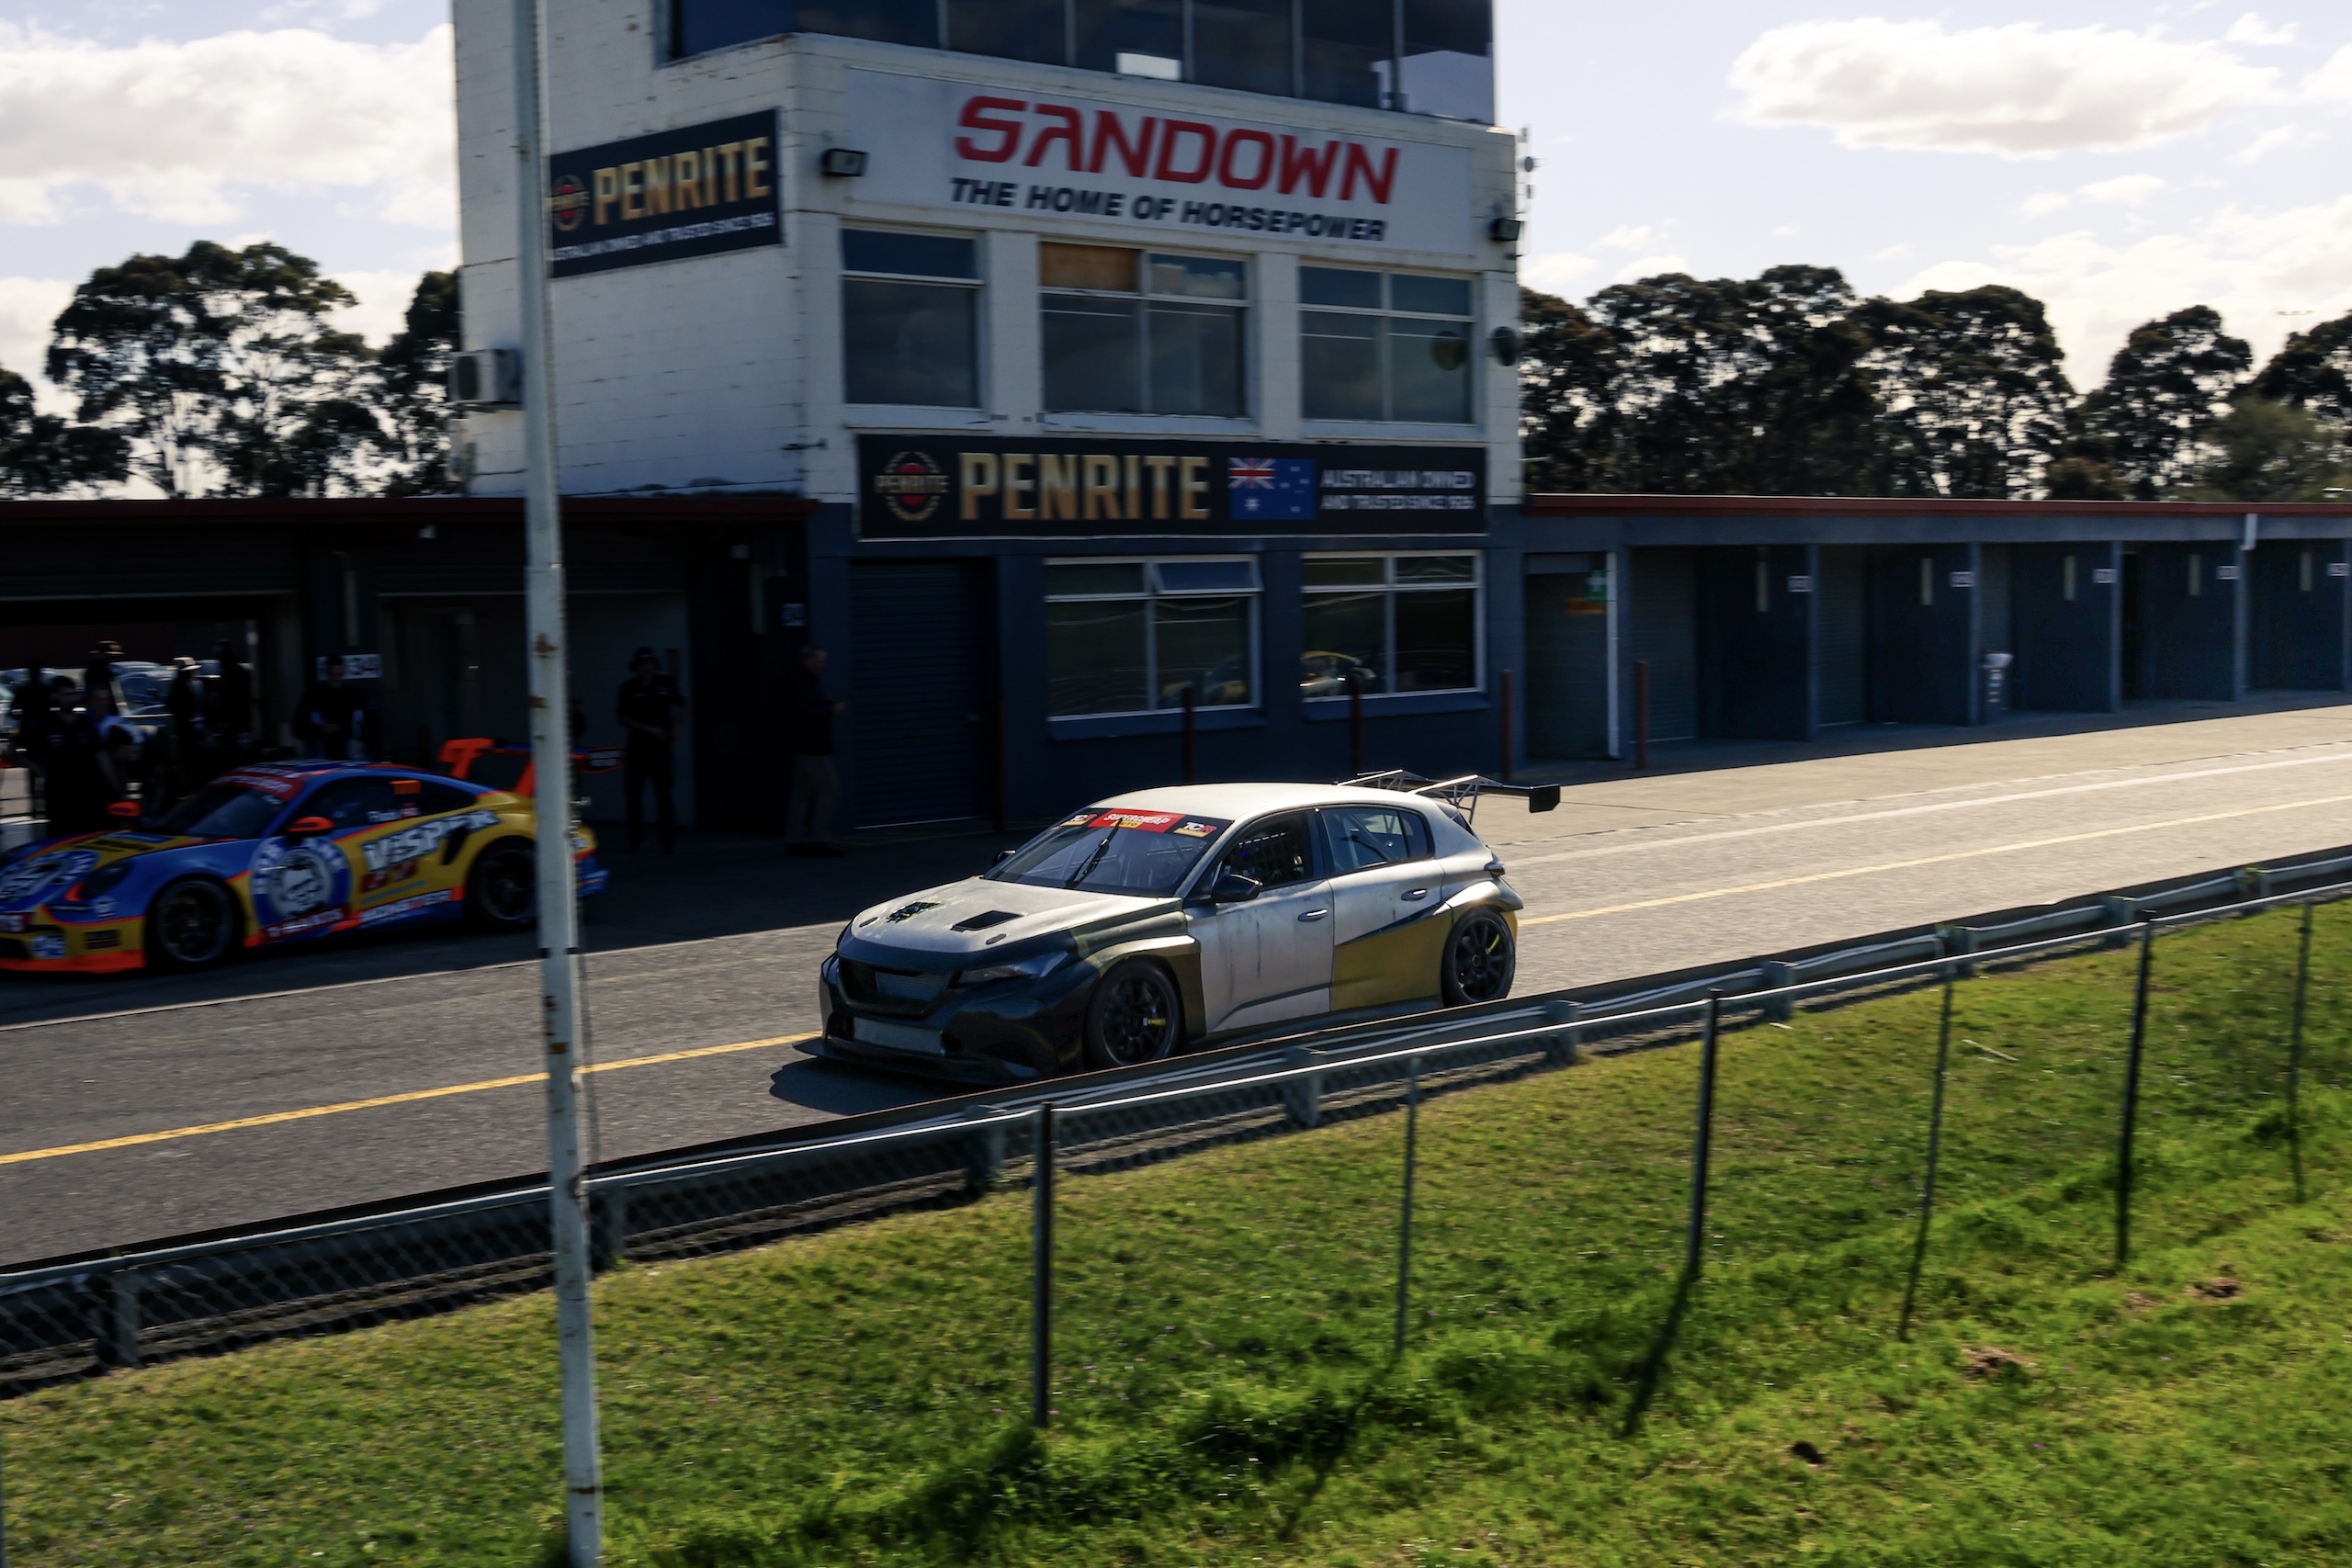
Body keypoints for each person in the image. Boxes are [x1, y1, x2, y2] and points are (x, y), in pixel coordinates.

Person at [615, 648, 685, 853]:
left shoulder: (665, 684)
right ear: (637, 667)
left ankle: (668, 842)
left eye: (650, 664)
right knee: (633, 795)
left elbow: (683, 704)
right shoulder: (628, 688)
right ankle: (637, 840)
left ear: (655, 665)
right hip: (638, 747)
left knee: (664, 795)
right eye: (643, 664)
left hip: (661, 748)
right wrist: (648, 729)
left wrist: (678, 728)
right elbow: (622, 717)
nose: (647, 668)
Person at [786, 643, 846, 858]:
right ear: (809, 660)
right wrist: (831, 710)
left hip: (805, 744)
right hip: (812, 746)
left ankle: (797, 840)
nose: (822, 665)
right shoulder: (802, 682)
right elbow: (806, 713)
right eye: (819, 660)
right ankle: (819, 838)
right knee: (830, 788)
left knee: (802, 793)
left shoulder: (805, 680)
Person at [292, 655, 372, 761]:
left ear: (343, 673)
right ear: (327, 673)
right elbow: (298, 727)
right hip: (321, 754)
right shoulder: (313, 696)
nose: (336, 679)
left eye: (339, 675)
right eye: (333, 675)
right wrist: (317, 729)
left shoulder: (356, 696)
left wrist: (364, 742)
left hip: (351, 755)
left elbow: (371, 723)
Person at [204, 640, 256, 773]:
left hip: (232, 721)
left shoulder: (230, 674)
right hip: (233, 721)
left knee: (232, 753)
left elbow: (230, 698)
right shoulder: (234, 673)